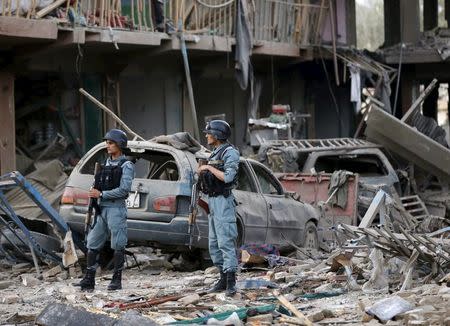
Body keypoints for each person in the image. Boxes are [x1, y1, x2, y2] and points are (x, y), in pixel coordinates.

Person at [77, 129, 135, 291]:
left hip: (116, 208)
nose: (107, 146)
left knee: (118, 244)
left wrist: (101, 193)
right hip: (102, 209)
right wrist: (95, 191)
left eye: (111, 143)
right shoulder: (105, 164)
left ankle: (116, 280)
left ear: (120, 144)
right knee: (92, 242)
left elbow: (124, 190)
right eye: (107, 143)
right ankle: (89, 278)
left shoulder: (126, 165)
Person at [198, 120, 240, 296]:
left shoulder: (230, 153)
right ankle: (222, 278)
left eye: (209, 133)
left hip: (223, 202)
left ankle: (231, 282)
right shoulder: (214, 153)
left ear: (217, 135)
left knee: (225, 242)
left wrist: (208, 167)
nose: (206, 135)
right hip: (213, 201)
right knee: (214, 244)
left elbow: (228, 177)